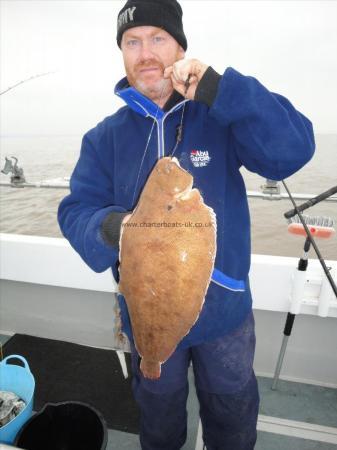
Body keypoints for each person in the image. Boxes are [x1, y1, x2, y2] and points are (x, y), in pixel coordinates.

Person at [58, 0, 315, 448]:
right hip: (148, 316)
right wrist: (116, 228)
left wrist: (221, 89)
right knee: (158, 417)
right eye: (132, 42)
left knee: (232, 417)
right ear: (122, 53)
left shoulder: (217, 115)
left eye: (158, 38)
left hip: (225, 312)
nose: (145, 52)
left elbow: (291, 152)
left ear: (180, 48)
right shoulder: (103, 137)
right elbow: (75, 210)